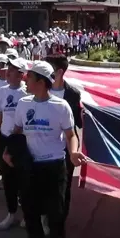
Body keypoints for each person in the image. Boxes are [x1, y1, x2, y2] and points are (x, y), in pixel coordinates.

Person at [5, 61, 86, 238]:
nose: (25, 79)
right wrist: (7, 151)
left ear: (41, 82)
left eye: (29, 77)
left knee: (56, 219)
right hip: (29, 169)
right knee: (31, 218)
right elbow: (17, 131)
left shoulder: (61, 106)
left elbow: (71, 134)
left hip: (54, 168)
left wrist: (73, 152)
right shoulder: (23, 104)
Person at [44, 54, 84, 224]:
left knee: (64, 185)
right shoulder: (41, 89)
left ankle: (60, 219)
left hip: (67, 147)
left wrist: (85, 115)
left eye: (49, 69)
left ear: (60, 72)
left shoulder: (73, 94)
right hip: (44, 145)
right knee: (44, 183)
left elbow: (78, 124)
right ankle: (44, 215)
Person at [0, 57, 28, 230]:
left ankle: (27, 214)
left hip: (20, 141)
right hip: (4, 138)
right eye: (8, 69)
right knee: (7, 179)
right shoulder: (2, 91)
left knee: (23, 179)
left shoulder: (28, 93)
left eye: (12, 70)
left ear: (20, 75)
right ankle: (11, 214)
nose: (8, 72)